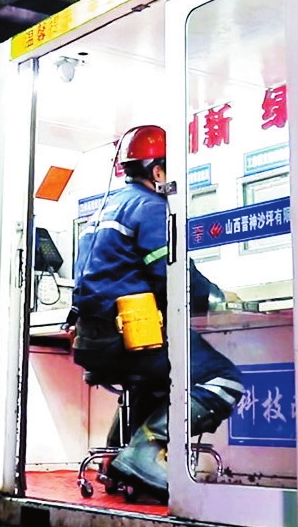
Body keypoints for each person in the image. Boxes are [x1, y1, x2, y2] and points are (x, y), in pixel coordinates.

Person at [70, 124, 245, 500]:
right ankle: (145, 452)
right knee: (223, 379)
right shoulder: (151, 208)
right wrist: (216, 298)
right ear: (158, 171)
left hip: (94, 340)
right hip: (129, 337)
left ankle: (115, 461)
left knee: (156, 379)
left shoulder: (104, 210)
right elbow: (174, 275)